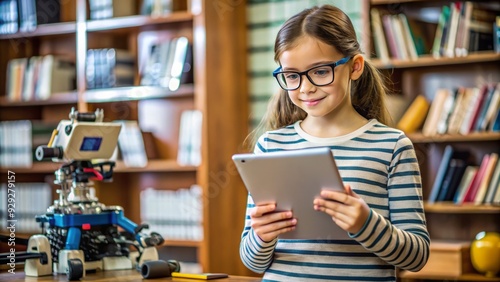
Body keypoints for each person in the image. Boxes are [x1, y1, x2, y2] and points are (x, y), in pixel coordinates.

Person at [239, 4, 429, 281]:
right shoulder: (271, 146)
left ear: (355, 67)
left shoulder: (392, 146)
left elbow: (417, 256)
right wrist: (262, 236)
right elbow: (251, 261)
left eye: (319, 71)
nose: (305, 88)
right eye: (292, 75)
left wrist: (366, 224)